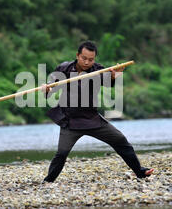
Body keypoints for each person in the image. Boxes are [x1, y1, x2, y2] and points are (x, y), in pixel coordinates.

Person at [41, 40, 154, 183]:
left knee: (120, 140)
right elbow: (51, 89)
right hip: (70, 121)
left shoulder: (98, 70)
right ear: (77, 55)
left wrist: (114, 76)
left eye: (91, 59)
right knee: (61, 154)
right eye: (84, 58)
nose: (87, 62)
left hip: (92, 119)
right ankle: (48, 181)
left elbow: (109, 83)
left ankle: (140, 172)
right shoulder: (64, 68)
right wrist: (47, 88)